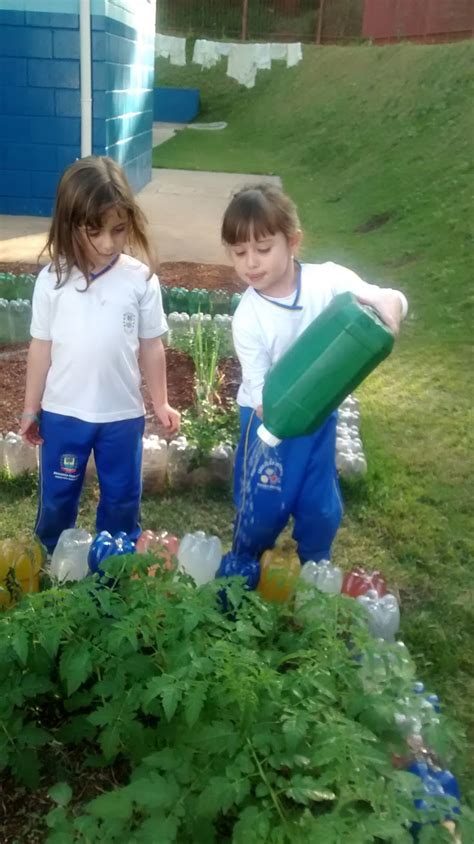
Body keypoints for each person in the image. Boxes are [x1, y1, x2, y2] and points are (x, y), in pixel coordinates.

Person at [222, 183, 408, 564]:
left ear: (293, 242)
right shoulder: (249, 316)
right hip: (265, 423)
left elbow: (381, 297)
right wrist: (271, 409)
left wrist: (393, 305)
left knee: (320, 506)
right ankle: (244, 562)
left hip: (318, 416)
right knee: (262, 502)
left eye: (262, 249)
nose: (251, 263)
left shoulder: (329, 282)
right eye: (239, 253)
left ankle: (316, 564)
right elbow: (259, 387)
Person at [20, 156, 180, 554]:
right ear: (70, 224)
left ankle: (114, 569)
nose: (108, 243)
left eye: (118, 229)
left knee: (122, 502)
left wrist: (159, 402)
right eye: (94, 231)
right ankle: (50, 563)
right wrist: (29, 408)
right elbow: (41, 348)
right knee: (57, 500)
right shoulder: (51, 281)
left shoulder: (141, 280)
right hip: (63, 416)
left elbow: (151, 345)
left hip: (121, 419)